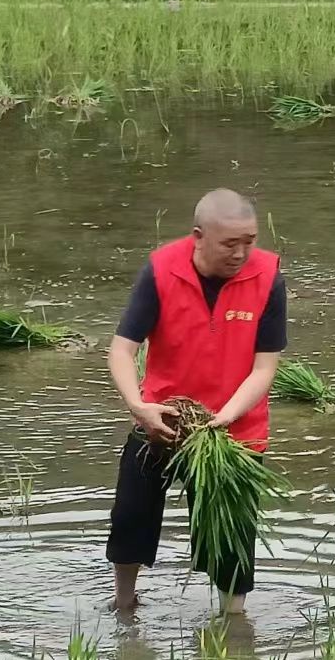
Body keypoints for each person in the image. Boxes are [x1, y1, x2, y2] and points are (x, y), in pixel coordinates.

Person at [105, 189, 287, 614]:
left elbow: (264, 368)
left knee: (231, 535)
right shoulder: (161, 270)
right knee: (131, 514)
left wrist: (227, 416)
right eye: (230, 243)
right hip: (162, 418)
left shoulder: (267, 277)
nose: (241, 252)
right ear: (198, 236)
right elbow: (121, 350)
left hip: (233, 427)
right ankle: (124, 602)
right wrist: (138, 406)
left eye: (250, 240)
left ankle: (233, 620)